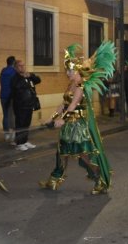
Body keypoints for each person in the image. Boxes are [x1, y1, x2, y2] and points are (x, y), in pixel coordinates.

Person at [39, 42, 115, 194]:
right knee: (62, 152)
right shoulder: (71, 85)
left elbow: (72, 106)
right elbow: (63, 104)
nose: (67, 73)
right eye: (67, 70)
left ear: (76, 70)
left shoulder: (81, 87)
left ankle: (100, 178)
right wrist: (52, 117)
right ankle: (54, 180)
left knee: (84, 155)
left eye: (70, 70)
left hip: (79, 127)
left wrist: (62, 120)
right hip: (69, 125)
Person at [10, 59, 41, 151]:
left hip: (29, 104)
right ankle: (19, 143)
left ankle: (25, 141)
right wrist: (22, 77)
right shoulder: (14, 78)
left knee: (27, 123)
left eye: (23, 65)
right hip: (20, 105)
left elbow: (38, 80)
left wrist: (30, 75)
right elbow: (17, 87)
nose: (22, 67)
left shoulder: (28, 76)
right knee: (20, 124)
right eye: (20, 66)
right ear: (15, 68)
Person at [0, 56, 16, 142]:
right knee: (12, 115)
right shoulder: (14, 71)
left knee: (5, 115)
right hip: (11, 97)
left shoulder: (3, 71)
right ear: (13, 63)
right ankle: (12, 134)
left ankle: (6, 133)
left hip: (3, 95)